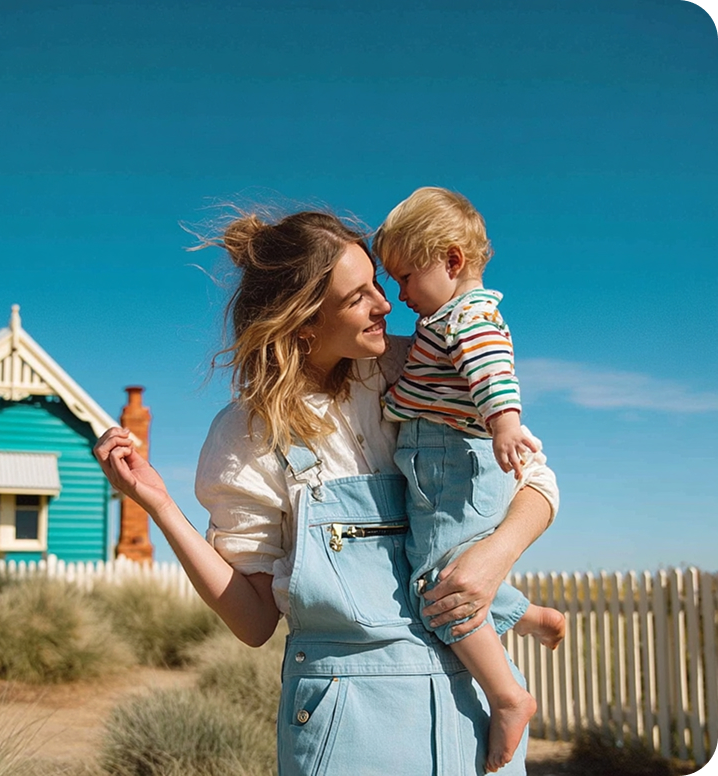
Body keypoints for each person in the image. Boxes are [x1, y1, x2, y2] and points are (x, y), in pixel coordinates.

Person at [94, 208, 560, 775]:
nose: (386, 306)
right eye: (358, 296)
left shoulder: (419, 363)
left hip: (478, 707)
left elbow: (534, 479)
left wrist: (493, 558)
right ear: (304, 320)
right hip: (350, 726)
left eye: (380, 286)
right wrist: (161, 507)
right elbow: (254, 621)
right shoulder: (245, 437)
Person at [374, 186, 564, 771]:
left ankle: (508, 696)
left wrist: (505, 423)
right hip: (445, 466)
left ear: (451, 261)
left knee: (439, 589)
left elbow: (491, 369)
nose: (399, 296)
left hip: (453, 464)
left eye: (405, 278)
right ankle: (525, 615)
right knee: (444, 570)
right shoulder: (444, 319)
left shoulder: (467, 317)